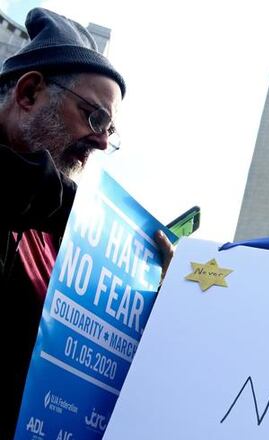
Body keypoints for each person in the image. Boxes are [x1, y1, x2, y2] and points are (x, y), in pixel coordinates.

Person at [0, 8, 171, 436]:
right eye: (95, 118)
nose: (101, 140)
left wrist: (160, 296)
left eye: (110, 131)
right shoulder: (49, 204)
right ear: (29, 93)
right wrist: (106, 225)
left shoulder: (63, 241)